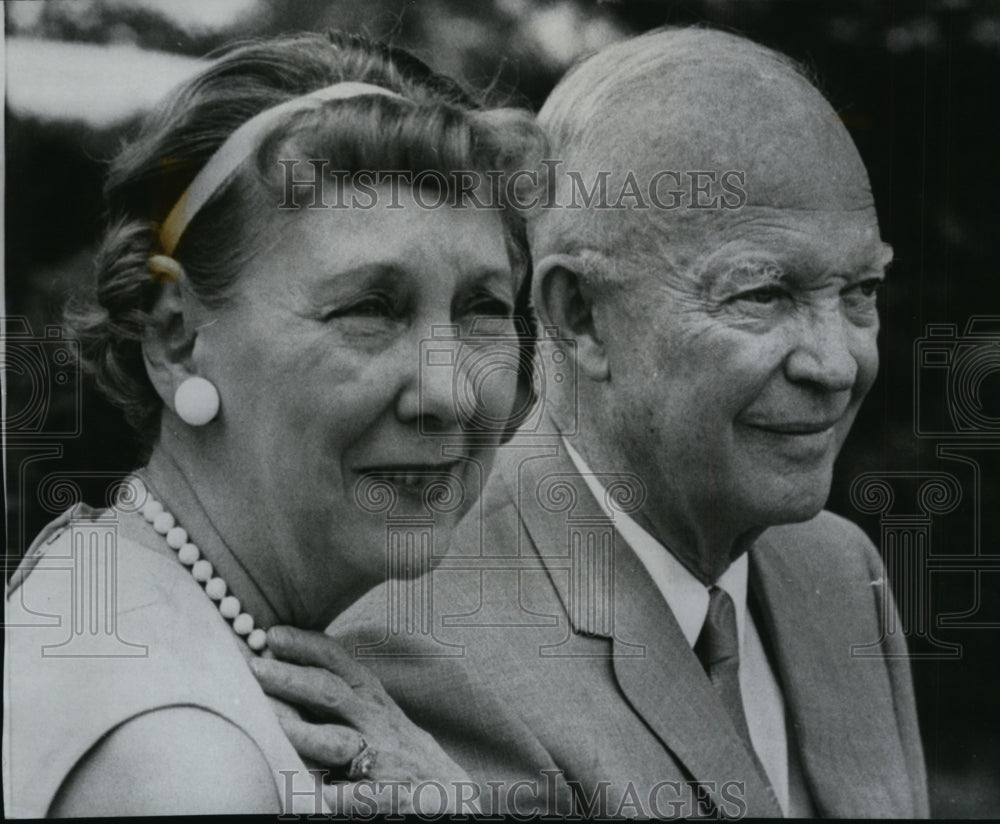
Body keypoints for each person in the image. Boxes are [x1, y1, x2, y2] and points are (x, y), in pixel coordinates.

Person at [254, 27, 930, 817]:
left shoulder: (839, 569)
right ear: (579, 317)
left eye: (860, 293)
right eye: (762, 295)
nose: (837, 363)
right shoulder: (422, 647)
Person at [4, 31, 545, 817]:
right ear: (177, 337)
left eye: (484, 308)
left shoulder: (114, 581)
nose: (451, 392)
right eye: (369, 309)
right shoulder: (185, 764)